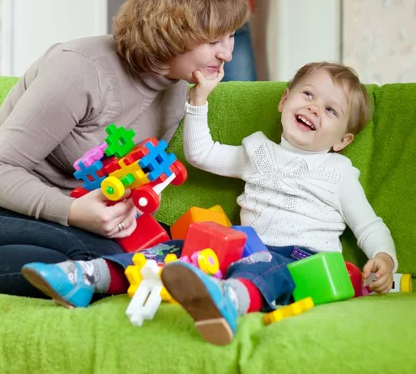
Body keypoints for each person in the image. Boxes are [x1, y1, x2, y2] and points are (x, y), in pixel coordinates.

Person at [0, 0, 250, 298]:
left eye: (231, 37)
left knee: (160, 251)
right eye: (214, 40)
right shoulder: (80, 68)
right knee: (90, 259)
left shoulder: (177, 88)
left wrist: (123, 208)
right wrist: (73, 212)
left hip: (49, 210)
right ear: (173, 30)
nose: (228, 55)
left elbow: (122, 171)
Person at [159, 61, 397, 345]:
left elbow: (369, 226)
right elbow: (201, 153)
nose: (314, 108)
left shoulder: (339, 173)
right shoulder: (258, 152)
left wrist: (385, 258)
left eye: (331, 110)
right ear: (284, 101)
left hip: (302, 260)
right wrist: (198, 100)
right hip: (248, 250)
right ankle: (99, 273)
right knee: (179, 246)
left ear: (342, 140)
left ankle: (228, 300)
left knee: (268, 264)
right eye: (308, 95)